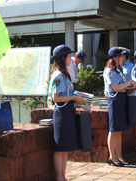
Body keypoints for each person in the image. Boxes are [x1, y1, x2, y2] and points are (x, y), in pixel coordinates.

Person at [47, 45, 84, 181]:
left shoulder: (64, 74)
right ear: (63, 58)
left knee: (65, 147)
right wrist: (74, 97)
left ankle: (63, 176)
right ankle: (59, 177)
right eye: (69, 56)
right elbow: (56, 98)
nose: (71, 59)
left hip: (67, 111)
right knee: (60, 147)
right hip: (61, 113)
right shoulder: (58, 75)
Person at [103, 46, 136, 167]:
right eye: (120, 56)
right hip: (115, 100)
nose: (122, 58)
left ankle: (119, 155)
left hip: (122, 99)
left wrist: (133, 87)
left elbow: (122, 87)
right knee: (113, 130)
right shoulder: (109, 70)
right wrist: (130, 82)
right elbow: (116, 87)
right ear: (114, 57)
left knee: (119, 131)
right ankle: (112, 157)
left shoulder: (118, 70)